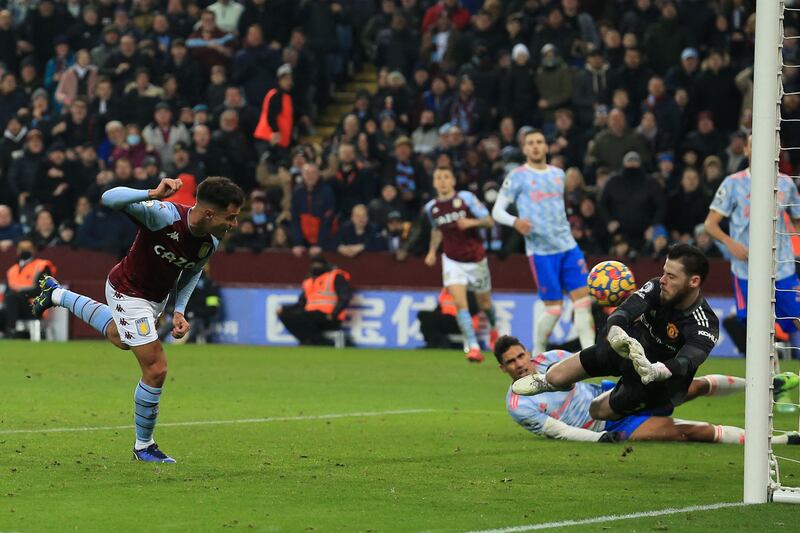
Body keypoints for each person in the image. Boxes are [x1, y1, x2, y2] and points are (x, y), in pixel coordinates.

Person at [31, 176, 245, 463]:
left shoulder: (211, 240)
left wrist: (179, 309)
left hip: (154, 300)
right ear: (209, 213)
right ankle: (144, 446)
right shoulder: (163, 216)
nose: (234, 223)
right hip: (127, 291)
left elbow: (192, 273)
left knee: (120, 338)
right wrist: (152, 192)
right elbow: (109, 198)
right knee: (156, 368)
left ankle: (56, 295)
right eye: (230, 217)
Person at [511, 244, 721, 425]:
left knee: (597, 411)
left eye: (671, 276)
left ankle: (669, 400)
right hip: (627, 348)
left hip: (652, 381)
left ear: (693, 281)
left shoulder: (705, 323)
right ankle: (551, 382)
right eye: (664, 272)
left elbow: (687, 360)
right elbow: (625, 310)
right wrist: (616, 332)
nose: (663, 279)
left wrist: (657, 370)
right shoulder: (658, 287)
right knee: (555, 376)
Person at [495, 335, 800, 444]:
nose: (520, 364)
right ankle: (781, 440)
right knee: (688, 432)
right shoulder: (518, 405)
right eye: (511, 362)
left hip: (610, 396)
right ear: (503, 368)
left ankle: (765, 386)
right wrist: (600, 437)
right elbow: (558, 431)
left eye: (521, 355)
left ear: (527, 352)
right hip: (607, 424)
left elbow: (592, 366)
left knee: (692, 387)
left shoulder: (552, 358)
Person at [704, 135, 800, 413]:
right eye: (753, 144)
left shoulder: (786, 184)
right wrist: (731, 243)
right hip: (746, 271)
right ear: (746, 149)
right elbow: (710, 225)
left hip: (782, 267)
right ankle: (777, 390)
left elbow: (795, 221)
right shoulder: (732, 184)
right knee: (759, 331)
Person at [492, 129, 595, 356]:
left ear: (546, 147)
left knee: (583, 302)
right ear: (525, 149)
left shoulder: (558, 175)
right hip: (541, 251)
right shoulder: (517, 176)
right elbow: (497, 210)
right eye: (531, 143)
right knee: (554, 309)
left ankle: (591, 355)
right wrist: (515, 221)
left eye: (540, 142)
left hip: (568, 247)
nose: (536, 146)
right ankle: (537, 353)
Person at [424, 166, 498, 363]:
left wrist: (471, 223)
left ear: (453, 181)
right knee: (459, 303)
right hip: (451, 260)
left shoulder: (466, 198)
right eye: (438, 177)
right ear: (434, 182)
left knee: (485, 304)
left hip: (476, 259)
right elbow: (436, 230)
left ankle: (494, 330)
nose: (442, 181)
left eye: (446, 176)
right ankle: (473, 347)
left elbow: (489, 221)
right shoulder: (431, 207)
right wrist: (432, 251)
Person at [277, 254, 352, 346]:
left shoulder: (335, 277)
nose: (316, 267)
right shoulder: (309, 281)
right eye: (314, 264)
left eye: (319, 264)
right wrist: (284, 309)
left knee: (302, 316)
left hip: (329, 316)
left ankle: (317, 342)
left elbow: (345, 297)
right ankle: (310, 340)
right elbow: (301, 303)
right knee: (285, 314)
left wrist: (333, 314)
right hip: (310, 315)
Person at [2, 236, 56, 338]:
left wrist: (21, 294)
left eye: (28, 248)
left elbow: (44, 290)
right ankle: (7, 335)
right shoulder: (12, 270)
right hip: (13, 306)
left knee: (11, 298)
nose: (24, 251)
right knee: (7, 303)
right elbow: (7, 292)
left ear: (33, 250)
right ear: (17, 250)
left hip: (34, 306)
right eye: (22, 248)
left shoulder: (42, 266)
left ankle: (11, 332)